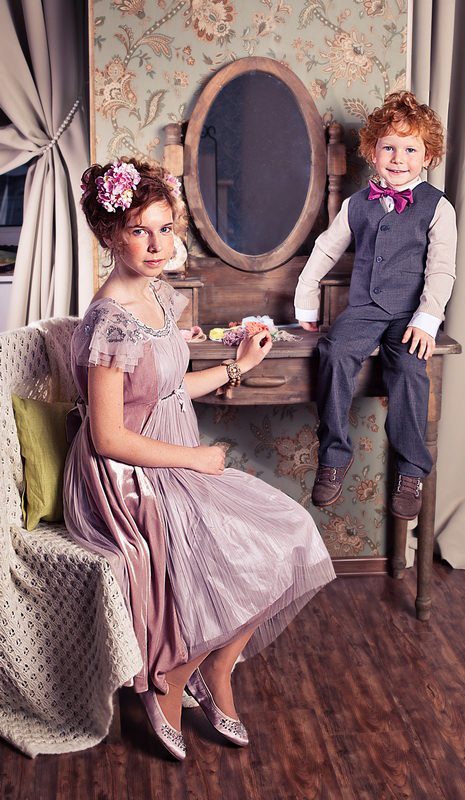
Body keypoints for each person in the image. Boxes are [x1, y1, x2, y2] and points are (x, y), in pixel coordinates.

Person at [63, 158, 335, 761]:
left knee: (291, 532)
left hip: (173, 459)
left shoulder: (159, 296)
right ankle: (170, 679)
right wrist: (195, 459)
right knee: (225, 551)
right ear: (109, 235)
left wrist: (240, 366)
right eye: (139, 231)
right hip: (127, 478)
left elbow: (167, 391)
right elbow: (108, 437)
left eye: (165, 229)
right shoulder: (109, 322)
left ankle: (215, 668)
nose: (157, 245)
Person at [294, 91, 457, 519]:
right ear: (372, 151)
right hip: (364, 309)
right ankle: (334, 455)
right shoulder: (356, 205)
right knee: (334, 352)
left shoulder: (438, 207)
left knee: (408, 370)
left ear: (428, 156)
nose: (398, 158)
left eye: (410, 149)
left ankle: (410, 469)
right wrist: (306, 299)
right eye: (389, 147)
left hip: (409, 313)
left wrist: (428, 319)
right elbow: (325, 250)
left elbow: (442, 269)